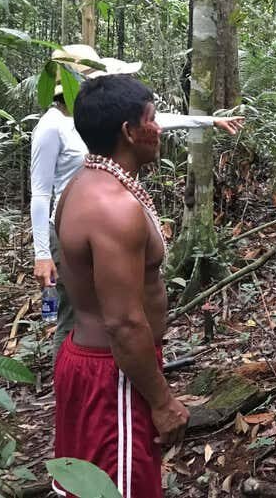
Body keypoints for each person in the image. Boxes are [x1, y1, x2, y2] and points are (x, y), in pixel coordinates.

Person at [30, 44, 244, 357]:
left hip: (109, 225)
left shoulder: (104, 118)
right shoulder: (51, 126)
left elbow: (152, 122)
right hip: (70, 231)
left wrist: (209, 121)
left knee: (116, 308)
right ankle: (70, 382)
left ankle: (118, 373)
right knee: (78, 315)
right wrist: (42, 253)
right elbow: (40, 191)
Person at [53, 74, 188, 498]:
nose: (160, 128)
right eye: (153, 119)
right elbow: (125, 323)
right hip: (112, 375)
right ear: (129, 132)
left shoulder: (83, 183)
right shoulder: (113, 207)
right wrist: (163, 403)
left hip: (100, 366)